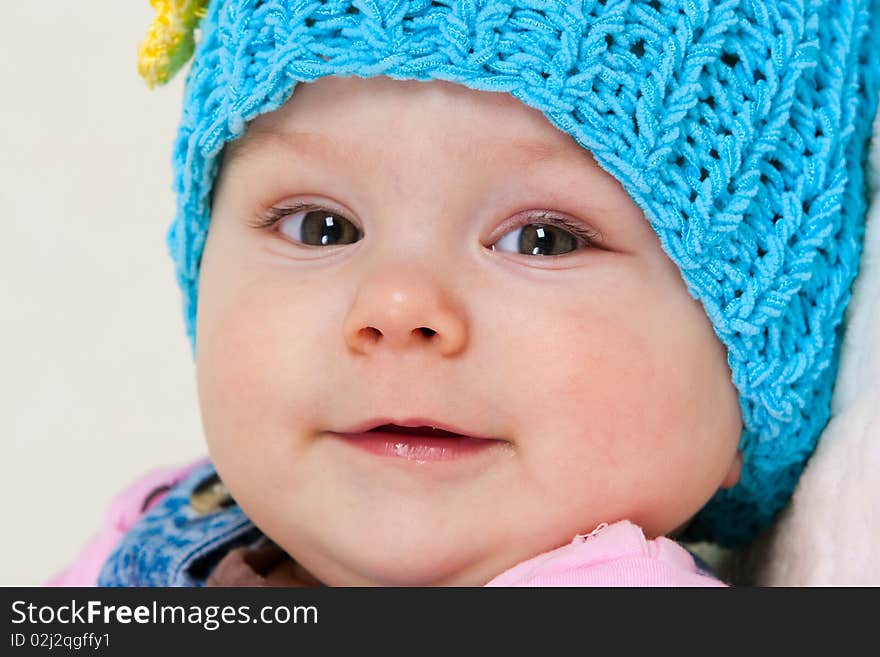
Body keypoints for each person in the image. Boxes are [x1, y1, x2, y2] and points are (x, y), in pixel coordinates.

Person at [51, 0, 880, 586]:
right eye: (320, 227)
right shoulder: (157, 529)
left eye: (543, 238)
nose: (399, 306)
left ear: (752, 373)